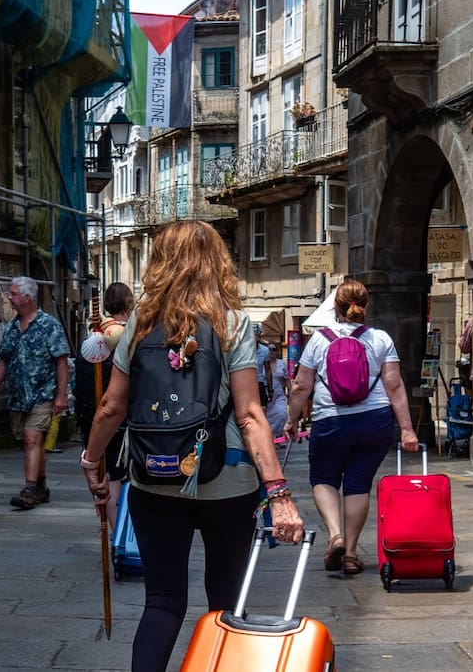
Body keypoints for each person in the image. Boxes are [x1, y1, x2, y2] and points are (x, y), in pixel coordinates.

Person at [78, 220, 304, 672]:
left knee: (162, 601)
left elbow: (111, 407)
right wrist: (278, 493)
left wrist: (91, 460)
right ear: (217, 264)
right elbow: (250, 414)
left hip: (153, 477)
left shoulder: (138, 324)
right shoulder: (233, 324)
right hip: (228, 480)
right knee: (225, 601)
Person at [284, 278, 418, 577]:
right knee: (358, 483)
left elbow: (301, 385)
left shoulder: (319, 340)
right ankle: (352, 554)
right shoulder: (380, 338)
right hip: (375, 420)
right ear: (365, 306)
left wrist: (291, 420)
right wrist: (407, 429)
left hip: (330, 420)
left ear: (336, 307)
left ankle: (336, 536)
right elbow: (394, 386)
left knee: (324, 478)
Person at [0, 276, 71, 510]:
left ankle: (30, 489)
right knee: (32, 442)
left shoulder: (49, 325)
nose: (9, 297)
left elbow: (62, 361)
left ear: (27, 297)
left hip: (43, 393)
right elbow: (5, 359)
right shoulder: (12, 327)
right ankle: (41, 486)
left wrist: (61, 395)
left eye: (13, 294)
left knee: (32, 438)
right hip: (19, 396)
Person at [73, 281, 134, 522]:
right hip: (121, 418)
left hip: (92, 418)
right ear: (129, 303)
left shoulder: (93, 336)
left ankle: (114, 532)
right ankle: (119, 536)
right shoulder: (130, 335)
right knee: (116, 479)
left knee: (102, 478)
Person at [265, 343, 289, 439]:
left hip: (278, 396)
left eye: (273, 349)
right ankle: (269, 438)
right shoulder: (262, 364)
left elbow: (286, 379)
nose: (271, 351)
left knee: (282, 414)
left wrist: (291, 393)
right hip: (265, 397)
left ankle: (275, 437)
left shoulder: (282, 363)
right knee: (266, 419)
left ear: (277, 351)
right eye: (269, 349)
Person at [256, 335, 271, 407]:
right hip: (246, 382)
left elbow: (268, 370)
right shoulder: (244, 349)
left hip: (260, 381)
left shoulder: (265, 350)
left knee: (263, 407)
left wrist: (270, 389)